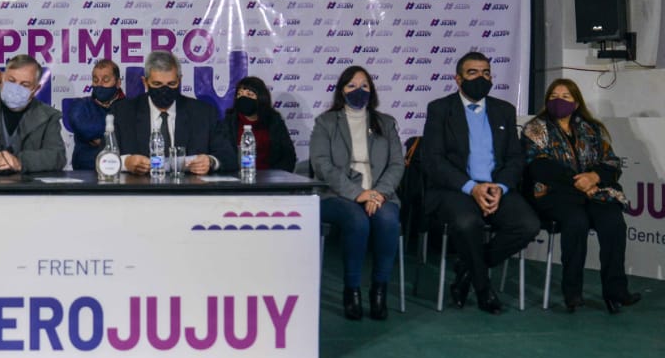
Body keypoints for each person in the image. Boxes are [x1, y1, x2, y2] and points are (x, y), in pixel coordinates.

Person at [420, 52, 539, 314]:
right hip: (456, 189)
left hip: (496, 188)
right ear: (458, 79)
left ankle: (468, 269)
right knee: (467, 224)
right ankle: (483, 288)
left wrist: (500, 188)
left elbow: (515, 158)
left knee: (528, 225)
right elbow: (433, 160)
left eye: (486, 73)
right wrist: (472, 188)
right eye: (472, 72)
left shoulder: (504, 110)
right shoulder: (440, 109)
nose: (481, 78)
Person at [522, 79, 640, 313]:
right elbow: (538, 166)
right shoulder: (535, 128)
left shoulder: (591, 129)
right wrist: (580, 183)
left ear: (576, 103)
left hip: (595, 192)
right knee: (576, 222)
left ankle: (616, 292)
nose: (559, 100)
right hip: (556, 195)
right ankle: (572, 293)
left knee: (613, 223)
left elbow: (611, 162)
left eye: (566, 97)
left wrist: (594, 177)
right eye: (554, 96)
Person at [310, 66, 405, 320]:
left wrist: (379, 193)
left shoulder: (386, 123)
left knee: (387, 220)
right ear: (341, 91)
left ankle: (379, 290)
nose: (358, 90)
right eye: (351, 85)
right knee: (357, 220)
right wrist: (357, 194)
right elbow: (321, 164)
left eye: (364, 85)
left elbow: (397, 164)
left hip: (380, 194)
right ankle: (351, 290)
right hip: (337, 195)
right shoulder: (326, 122)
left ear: (371, 90)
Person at [112, 50, 235, 175]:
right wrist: (126, 162)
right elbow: (104, 158)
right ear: (145, 82)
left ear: (179, 80)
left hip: (189, 186)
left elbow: (229, 156)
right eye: (157, 84)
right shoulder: (123, 112)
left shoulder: (203, 113)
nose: (164, 90)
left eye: (171, 84)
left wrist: (211, 161)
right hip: (138, 186)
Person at [222, 76, 296, 172]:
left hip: (270, 177)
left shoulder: (274, 121)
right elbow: (224, 155)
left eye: (249, 94)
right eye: (239, 94)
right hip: (239, 176)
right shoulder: (229, 122)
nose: (243, 98)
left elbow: (288, 156)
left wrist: (276, 176)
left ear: (261, 98)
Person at [66, 59, 124, 170]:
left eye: (105, 80)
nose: (100, 84)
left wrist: (99, 139)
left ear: (118, 83)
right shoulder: (80, 105)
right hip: (86, 171)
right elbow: (84, 128)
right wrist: (115, 135)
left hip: (121, 171)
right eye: (95, 80)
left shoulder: (128, 106)